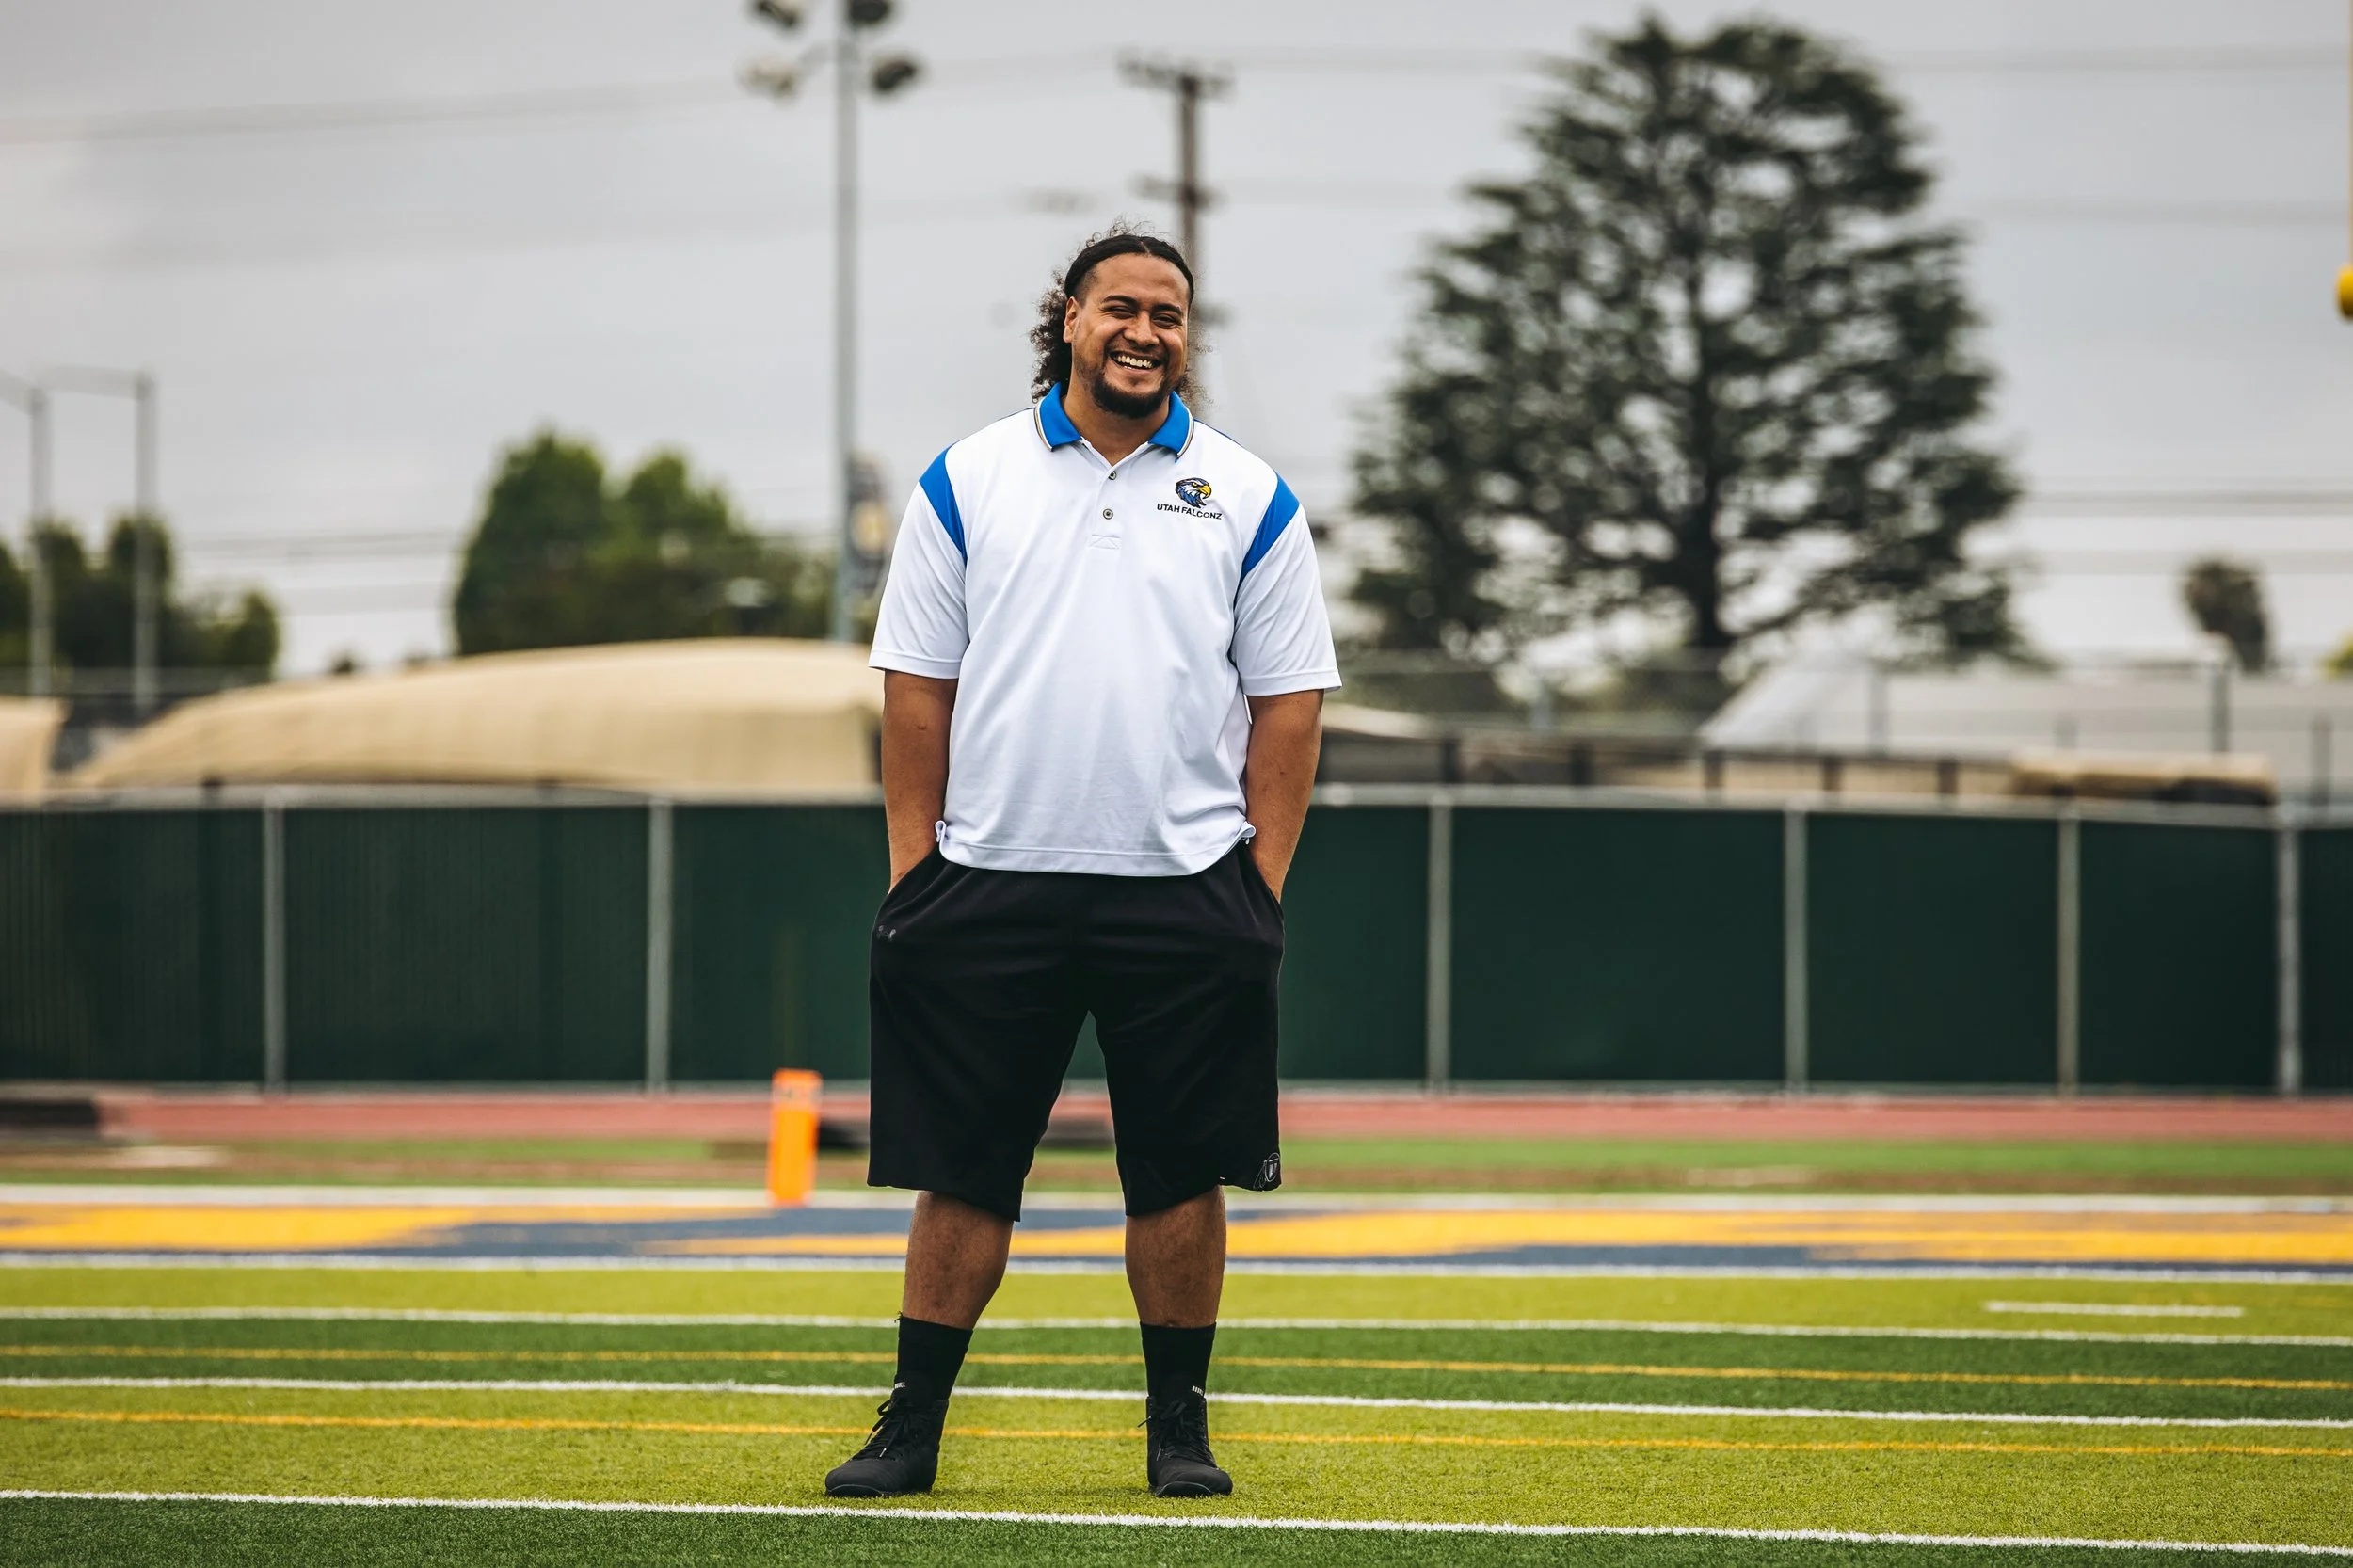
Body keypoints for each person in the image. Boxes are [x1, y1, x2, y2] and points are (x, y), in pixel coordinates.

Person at [823, 229, 1338, 1500]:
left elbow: (1290, 707)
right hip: (991, 885)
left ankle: (1179, 1427)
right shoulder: (968, 479)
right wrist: (915, 875)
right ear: (1069, 318)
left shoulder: (1250, 495)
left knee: (1179, 1172)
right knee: (965, 1170)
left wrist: (1254, 888)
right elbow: (914, 694)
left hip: (1186, 893)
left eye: (1170, 313)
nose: (1146, 332)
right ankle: (913, 1424)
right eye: (1122, 307)